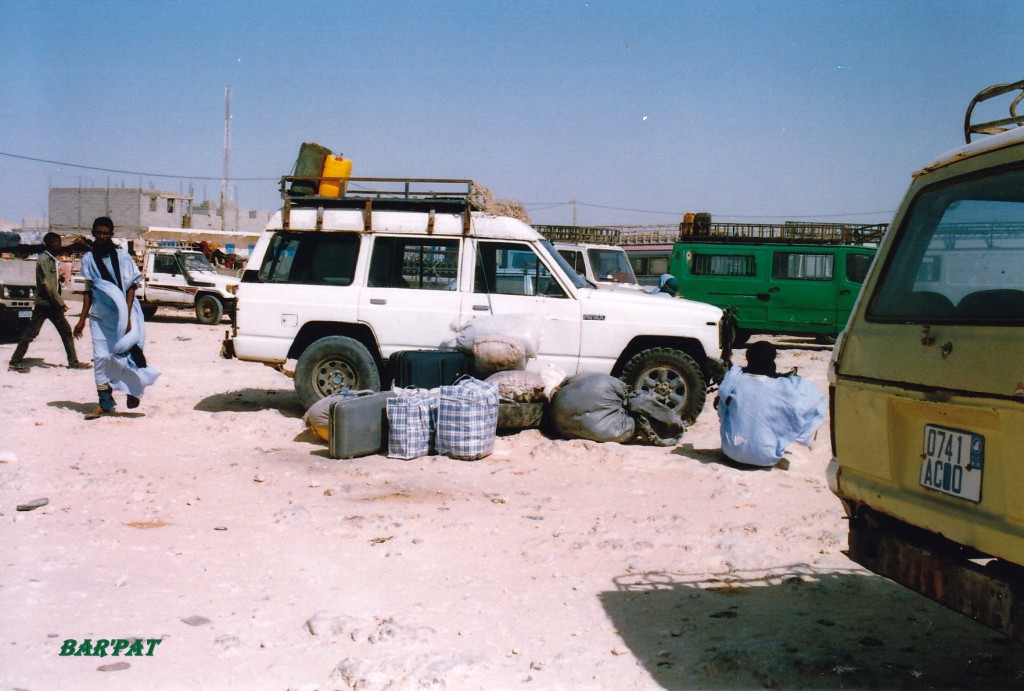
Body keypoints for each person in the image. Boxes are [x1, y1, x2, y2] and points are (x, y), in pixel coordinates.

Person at [72, 217, 160, 418]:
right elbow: (89, 290)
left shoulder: (122, 257)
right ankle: (105, 402)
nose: (102, 237)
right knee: (101, 357)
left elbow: (131, 287)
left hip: (125, 313)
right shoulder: (88, 259)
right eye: (98, 233)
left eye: (106, 233)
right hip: (100, 316)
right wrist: (82, 319)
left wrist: (126, 317)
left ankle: (133, 390)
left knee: (126, 354)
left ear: (111, 234)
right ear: (93, 233)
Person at [716, 340, 826, 468]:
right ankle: (804, 440)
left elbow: (722, 410)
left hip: (731, 453)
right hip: (766, 458)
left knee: (727, 404)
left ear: (748, 357)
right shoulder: (784, 387)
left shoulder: (735, 380)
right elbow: (816, 401)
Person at [8, 232, 90, 373]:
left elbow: (52, 282)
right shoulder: (45, 259)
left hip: (49, 303)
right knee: (32, 333)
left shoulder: (51, 259)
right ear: (49, 244)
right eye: (56, 243)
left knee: (62, 331)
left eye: (59, 242)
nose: (59, 245)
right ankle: (15, 362)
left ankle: (73, 361)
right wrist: (60, 302)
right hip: (46, 303)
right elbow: (47, 284)